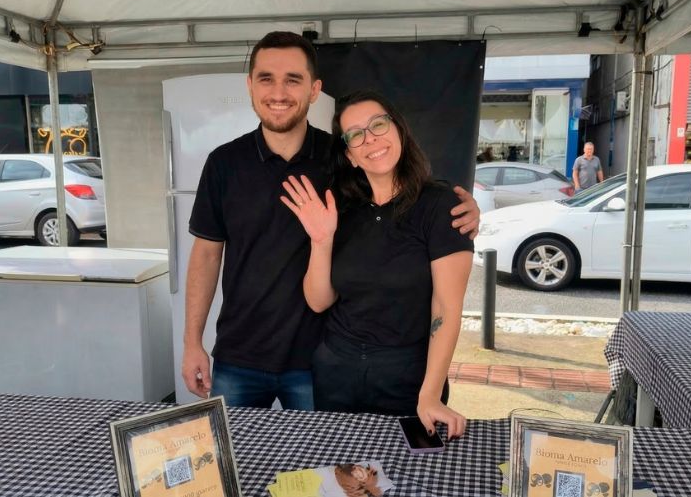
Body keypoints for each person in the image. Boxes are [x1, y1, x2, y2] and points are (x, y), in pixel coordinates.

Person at [181, 32, 480, 410]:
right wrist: (192, 342)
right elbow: (206, 255)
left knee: (322, 466)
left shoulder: (341, 159)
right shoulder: (224, 164)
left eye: (293, 79)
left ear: (314, 90)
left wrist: (463, 210)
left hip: (317, 357)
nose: (278, 92)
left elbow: (396, 199)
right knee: (239, 462)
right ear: (250, 86)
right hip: (239, 355)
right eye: (266, 78)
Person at [281, 90, 472, 439]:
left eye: (378, 125)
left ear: (398, 130)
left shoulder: (440, 206)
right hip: (336, 372)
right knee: (343, 478)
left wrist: (429, 393)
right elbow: (318, 300)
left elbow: (446, 306)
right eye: (355, 134)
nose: (370, 139)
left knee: (414, 479)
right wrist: (321, 241)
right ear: (351, 155)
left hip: (409, 378)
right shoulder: (343, 210)